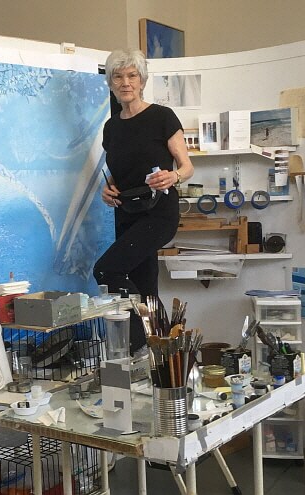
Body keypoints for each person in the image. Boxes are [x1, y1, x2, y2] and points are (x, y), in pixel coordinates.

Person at [94, 48, 194, 354]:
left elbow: (187, 167)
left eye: (132, 76)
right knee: (146, 287)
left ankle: (153, 338)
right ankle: (153, 356)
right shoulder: (112, 127)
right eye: (118, 77)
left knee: (106, 270)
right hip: (126, 212)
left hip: (158, 212)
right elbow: (118, 173)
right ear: (111, 83)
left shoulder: (162, 117)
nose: (125, 82)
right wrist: (108, 189)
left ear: (142, 81)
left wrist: (173, 176)